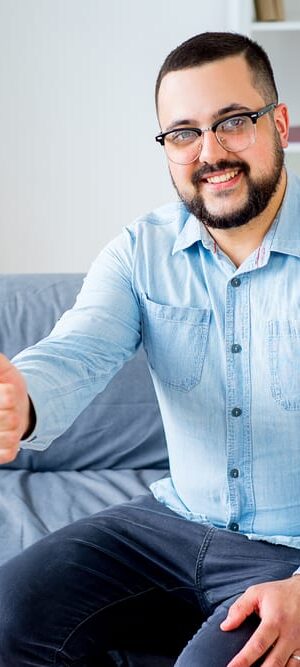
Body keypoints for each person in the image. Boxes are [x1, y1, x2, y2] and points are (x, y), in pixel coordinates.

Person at [0, 30, 300, 667]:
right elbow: (77, 350)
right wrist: (16, 400)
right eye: (184, 133)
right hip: (170, 525)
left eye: (234, 122)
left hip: (292, 555)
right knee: (7, 613)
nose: (210, 152)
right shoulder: (140, 252)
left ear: (278, 122)